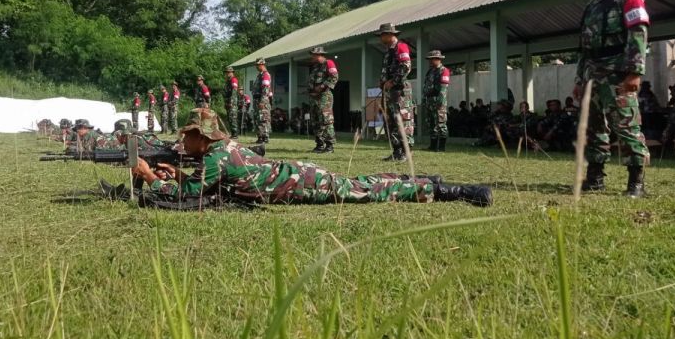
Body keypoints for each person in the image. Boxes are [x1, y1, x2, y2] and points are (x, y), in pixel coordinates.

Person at [131, 109, 492, 207]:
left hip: (302, 184)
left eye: (188, 134)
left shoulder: (216, 157)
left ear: (202, 136)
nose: (183, 140)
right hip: (297, 175)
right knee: (360, 183)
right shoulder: (222, 150)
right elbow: (203, 183)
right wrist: (177, 173)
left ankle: (448, 191)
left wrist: (149, 177)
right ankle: (423, 180)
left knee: (364, 191)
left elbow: (188, 196)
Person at [575, 0, 651, 198]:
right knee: (593, 127)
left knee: (626, 124)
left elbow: (638, 33)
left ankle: (636, 182)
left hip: (617, 73)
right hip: (592, 74)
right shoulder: (591, 6)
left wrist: (634, 72)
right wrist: (579, 79)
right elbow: (584, 47)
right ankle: (595, 178)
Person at [376, 23, 414, 161]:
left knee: (401, 120)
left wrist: (392, 82)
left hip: (399, 91)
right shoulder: (388, 52)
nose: (381, 38)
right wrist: (383, 82)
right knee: (390, 121)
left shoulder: (401, 47)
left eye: (382, 35)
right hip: (389, 92)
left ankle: (405, 152)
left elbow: (406, 66)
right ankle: (397, 151)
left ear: (390, 34)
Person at [307, 46, 339, 153]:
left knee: (326, 121)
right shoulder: (315, 67)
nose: (312, 57)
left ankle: (330, 146)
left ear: (319, 55)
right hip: (313, 98)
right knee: (315, 122)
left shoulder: (328, 63)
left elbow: (334, 76)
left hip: (324, 97)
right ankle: (320, 144)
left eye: (313, 55)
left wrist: (321, 86)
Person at [422, 50, 450, 152]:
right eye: (429, 59)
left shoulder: (444, 70)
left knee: (441, 123)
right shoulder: (430, 71)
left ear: (438, 59)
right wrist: (424, 98)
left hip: (438, 100)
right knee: (431, 123)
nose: (430, 61)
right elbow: (426, 86)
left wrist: (440, 101)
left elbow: (443, 88)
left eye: (432, 59)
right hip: (429, 100)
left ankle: (441, 147)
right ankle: (433, 146)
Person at [253, 58, 272, 143]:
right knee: (259, 119)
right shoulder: (259, 75)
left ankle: (265, 137)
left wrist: (262, 101)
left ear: (262, 64)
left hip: (262, 100)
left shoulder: (265, 75)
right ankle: (260, 136)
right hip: (257, 100)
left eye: (258, 65)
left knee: (263, 118)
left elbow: (265, 89)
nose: (256, 67)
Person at [223, 66, 240, 139]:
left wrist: (231, 102)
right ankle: (233, 134)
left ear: (232, 72)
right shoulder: (228, 81)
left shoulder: (233, 80)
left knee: (233, 118)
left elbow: (234, 91)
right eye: (226, 72)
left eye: (229, 72)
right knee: (229, 118)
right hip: (228, 102)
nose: (227, 74)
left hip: (232, 102)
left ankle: (235, 134)